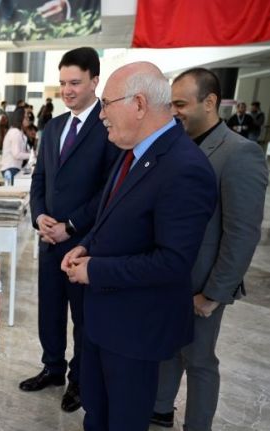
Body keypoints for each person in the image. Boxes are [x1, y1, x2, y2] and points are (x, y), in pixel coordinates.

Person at [62, 61, 217, 431]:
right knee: (96, 416)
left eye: (107, 104)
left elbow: (172, 262)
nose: (101, 115)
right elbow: (113, 216)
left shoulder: (184, 167)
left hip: (135, 331)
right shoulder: (130, 151)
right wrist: (85, 246)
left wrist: (94, 269)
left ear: (139, 104)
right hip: (102, 320)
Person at [151, 68, 268, 430]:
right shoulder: (176, 146)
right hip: (169, 280)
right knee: (167, 351)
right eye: (172, 104)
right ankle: (160, 410)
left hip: (202, 286)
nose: (174, 111)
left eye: (182, 104)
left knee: (199, 361)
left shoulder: (240, 154)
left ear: (211, 102)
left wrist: (213, 294)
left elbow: (242, 233)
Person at [24, 46, 119, 413]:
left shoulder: (108, 125)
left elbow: (109, 190)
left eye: (75, 82)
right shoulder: (53, 127)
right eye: (62, 82)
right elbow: (40, 180)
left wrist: (71, 226)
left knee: (82, 317)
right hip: (49, 242)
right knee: (49, 310)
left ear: (95, 81)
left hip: (83, 243)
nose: (66, 90)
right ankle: (52, 368)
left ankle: (79, 379)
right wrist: (40, 217)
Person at [0, 106, 32, 184]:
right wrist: (31, 155)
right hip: (11, 168)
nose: (28, 119)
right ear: (20, 118)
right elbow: (16, 154)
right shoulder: (15, 133)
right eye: (26, 117)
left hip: (14, 168)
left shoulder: (19, 132)